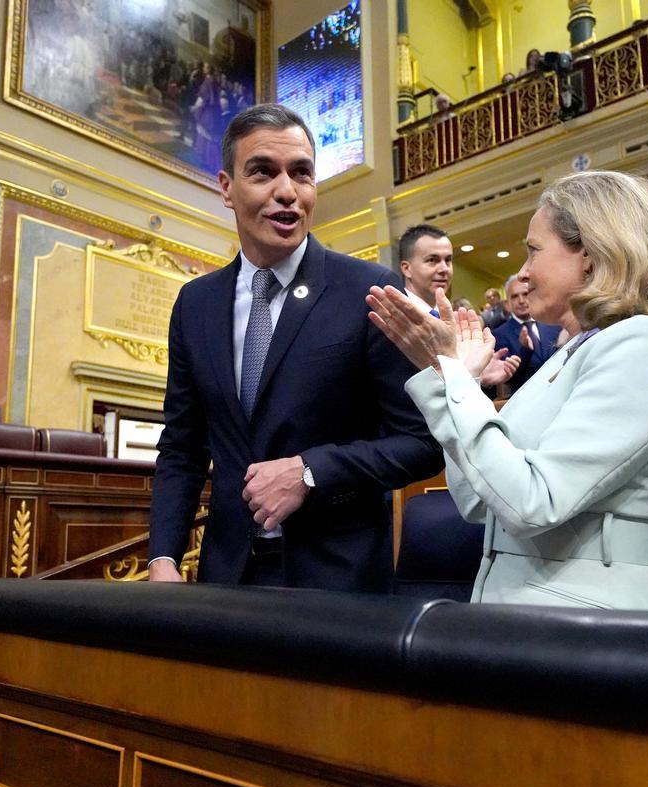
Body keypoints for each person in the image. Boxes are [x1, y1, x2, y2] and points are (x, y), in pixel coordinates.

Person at [367, 171, 648, 609]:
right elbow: (477, 500)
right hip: (519, 608)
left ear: (589, 251)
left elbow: (533, 502)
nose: (522, 273)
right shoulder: (571, 354)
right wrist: (459, 378)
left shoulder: (643, 341)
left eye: (533, 251)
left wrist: (451, 375)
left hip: (589, 621)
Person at [148, 103, 443, 592]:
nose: (287, 191)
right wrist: (162, 557)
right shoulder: (195, 304)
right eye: (263, 172)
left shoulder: (369, 290)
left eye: (301, 174)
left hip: (337, 583)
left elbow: (421, 444)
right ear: (226, 187)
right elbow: (182, 448)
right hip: (228, 579)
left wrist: (311, 471)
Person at [398, 224, 521, 389]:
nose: (444, 269)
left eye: (448, 260)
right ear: (407, 269)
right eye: (432, 260)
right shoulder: (394, 320)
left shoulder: (455, 322)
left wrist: (479, 376)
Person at [490, 273, 561, 392]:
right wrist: (524, 350)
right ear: (507, 303)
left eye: (525, 294)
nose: (521, 301)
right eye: (515, 296)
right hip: (527, 397)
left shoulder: (553, 323)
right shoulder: (499, 335)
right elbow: (508, 378)